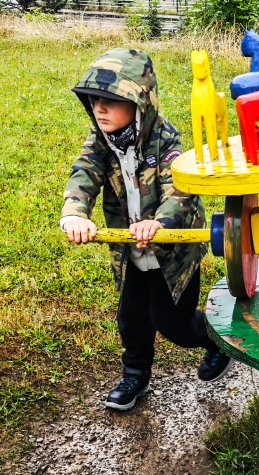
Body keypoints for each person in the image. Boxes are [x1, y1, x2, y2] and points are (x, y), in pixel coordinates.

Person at [60, 46, 232, 411]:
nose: (99, 108)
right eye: (94, 100)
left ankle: (216, 342)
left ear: (140, 101)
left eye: (111, 100)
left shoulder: (165, 139)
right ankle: (135, 374)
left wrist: (160, 222)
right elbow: (84, 173)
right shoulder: (100, 140)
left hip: (172, 251)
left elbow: (179, 188)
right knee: (132, 319)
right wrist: (75, 212)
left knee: (174, 324)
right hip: (131, 251)